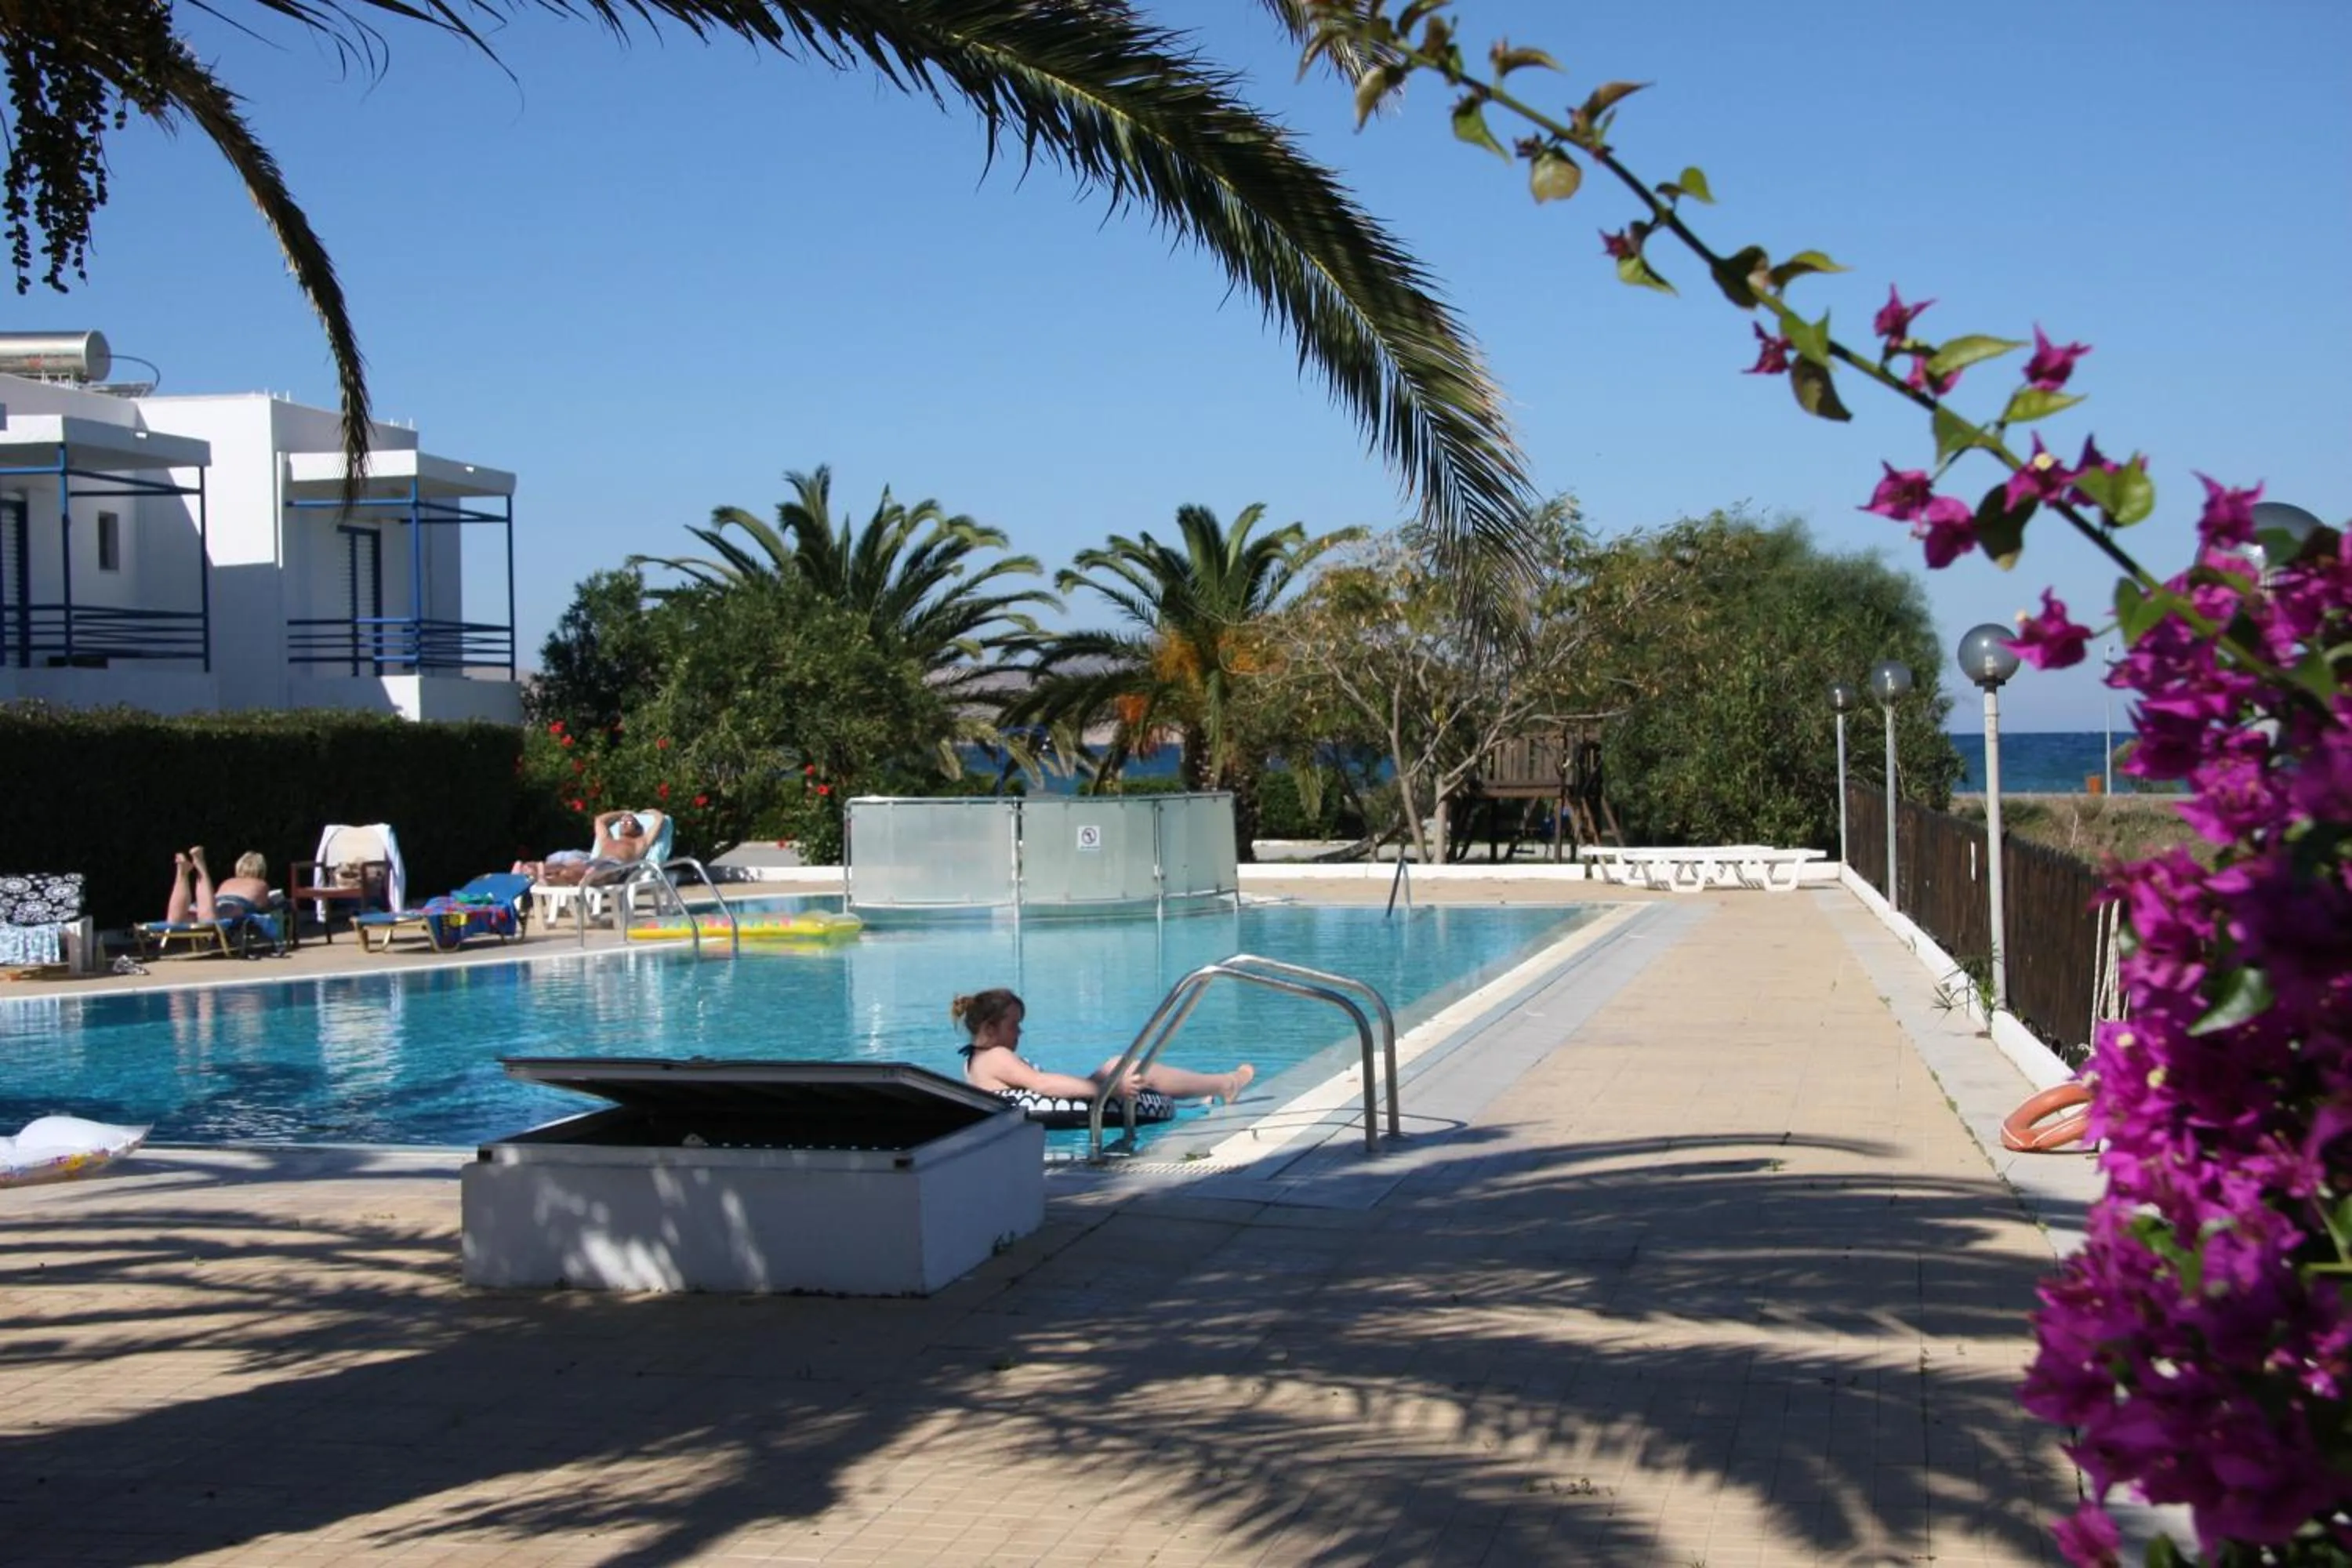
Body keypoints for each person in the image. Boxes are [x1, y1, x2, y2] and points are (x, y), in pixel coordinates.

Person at [952, 988, 1254, 1106]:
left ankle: (1202, 1094)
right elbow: (1042, 1084)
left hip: (1064, 1107)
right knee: (1131, 1071)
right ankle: (1225, 1084)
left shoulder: (974, 1060)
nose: (1020, 1032)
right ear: (990, 1028)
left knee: (1117, 1065)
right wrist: (1109, 1090)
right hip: (1076, 1110)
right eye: (1014, 1025)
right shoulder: (997, 1056)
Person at [163, 847, 283, 949]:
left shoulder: (228, 882)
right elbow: (263, 907)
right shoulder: (261, 884)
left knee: (175, 920)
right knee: (209, 919)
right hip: (235, 903)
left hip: (210, 901)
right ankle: (201, 867)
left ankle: (182, 873)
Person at [514, 808, 667, 885]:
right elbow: (600, 820)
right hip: (593, 862)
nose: (625, 823)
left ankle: (588, 878)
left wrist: (650, 812)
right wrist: (623, 813)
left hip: (615, 866)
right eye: (623, 822)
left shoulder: (640, 842)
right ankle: (531, 870)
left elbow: (660, 820)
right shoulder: (608, 839)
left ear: (638, 829)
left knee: (596, 872)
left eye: (630, 822)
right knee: (565, 869)